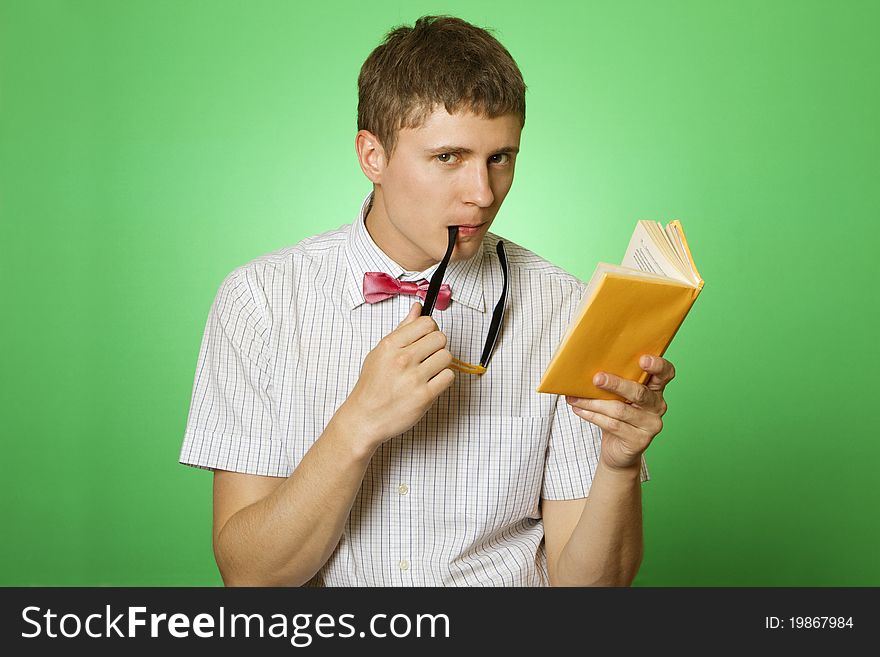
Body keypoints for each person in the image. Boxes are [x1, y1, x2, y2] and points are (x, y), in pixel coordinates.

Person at [179, 15, 676, 587]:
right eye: (448, 158)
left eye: (500, 158)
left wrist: (618, 463)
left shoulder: (565, 308)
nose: (482, 194)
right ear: (373, 157)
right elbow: (250, 578)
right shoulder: (260, 301)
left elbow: (589, 598)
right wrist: (357, 424)